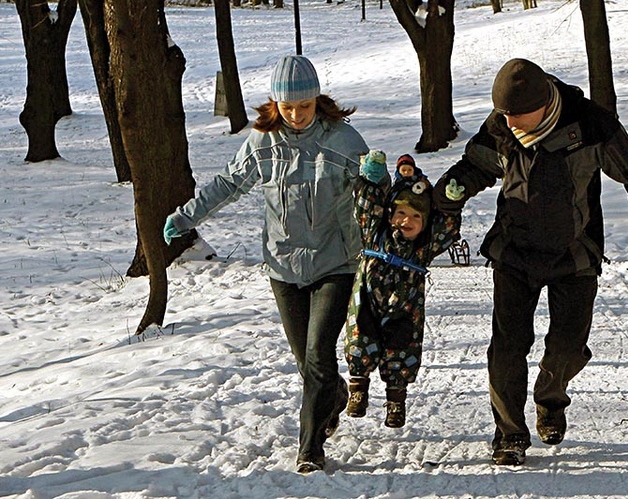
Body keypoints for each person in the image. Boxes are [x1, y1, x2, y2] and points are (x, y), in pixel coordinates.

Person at [432, 58, 628, 466]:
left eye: (517, 116)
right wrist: (450, 192)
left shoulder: (591, 125)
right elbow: (476, 165)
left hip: (574, 254)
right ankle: (509, 434)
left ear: (544, 104)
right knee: (506, 349)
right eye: (504, 115)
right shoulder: (502, 126)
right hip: (514, 250)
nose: (509, 123)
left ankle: (550, 398)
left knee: (567, 347)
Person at [162, 55, 369, 474]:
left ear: (317, 100)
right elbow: (227, 184)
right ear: (275, 104)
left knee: (316, 355)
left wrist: (383, 182)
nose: (296, 115)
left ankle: (309, 448)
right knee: (307, 363)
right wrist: (186, 216)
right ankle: (330, 398)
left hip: (337, 261)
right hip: (283, 266)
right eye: (287, 107)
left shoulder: (343, 141)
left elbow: (374, 191)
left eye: (304, 106)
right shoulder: (262, 142)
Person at [344, 151, 461, 429]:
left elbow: (446, 230)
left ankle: (396, 400)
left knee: (402, 349)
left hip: (405, 307)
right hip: (368, 300)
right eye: (400, 214)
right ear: (390, 214)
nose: (405, 221)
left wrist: (450, 206)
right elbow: (366, 206)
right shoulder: (375, 233)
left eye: (414, 217)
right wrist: (371, 182)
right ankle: (358, 388)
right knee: (361, 339)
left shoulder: (423, 248)